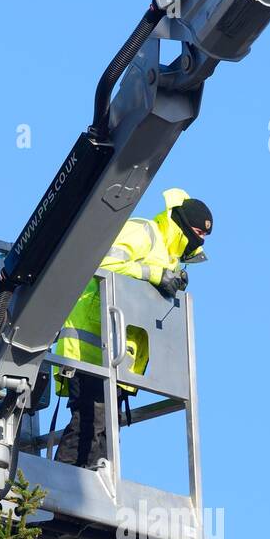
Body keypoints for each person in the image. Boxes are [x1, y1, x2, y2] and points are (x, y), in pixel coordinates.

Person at [52, 187, 213, 469]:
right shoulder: (144, 232)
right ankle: (56, 501)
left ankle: (81, 507)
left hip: (117, 359)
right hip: (90, 347)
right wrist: (154, 274)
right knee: (89, 426)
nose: (198, 241)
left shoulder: (169, 257)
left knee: (103, 437)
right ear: (185, 226)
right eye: (199, 234)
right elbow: (103, 262)